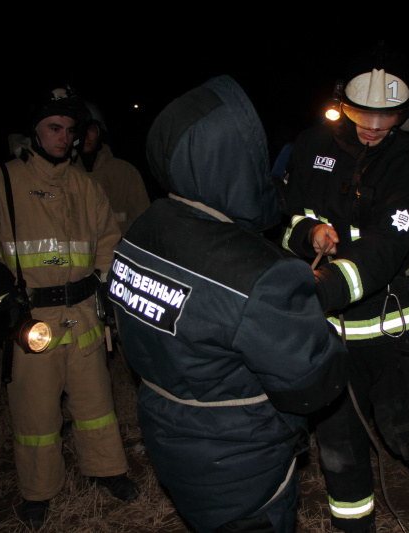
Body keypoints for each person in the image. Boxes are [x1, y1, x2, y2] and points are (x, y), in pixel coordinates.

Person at [109, 74, 348, 533]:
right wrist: (321, 328)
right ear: (230, 161)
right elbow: (313, 384)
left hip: (167, 434)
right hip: (239, 459)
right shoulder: (259, 271)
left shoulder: (142, 231)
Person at [279, 43, 409, 533]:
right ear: (341, 101)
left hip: (396, 332)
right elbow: (289, 219)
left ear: (404, 113)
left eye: (385, 115)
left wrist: (320, 289)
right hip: (332, 336)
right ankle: (353, 525)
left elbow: (388, 247)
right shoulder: (312, 146)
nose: (371, 123)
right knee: (339, 443)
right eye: (361, 111)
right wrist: (308, 234)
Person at [0, 84, 139, 529]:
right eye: (54, 127)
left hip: (84, 317)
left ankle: (107, 470)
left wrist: (102, 281)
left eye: (70, 128)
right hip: (31, 321)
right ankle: (39, 492)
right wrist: (2, 294)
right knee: (35, 414)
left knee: (96, 405)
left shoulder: (85, 186)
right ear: (34, 131)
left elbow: (110, 244)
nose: (63, 136)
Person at [77, 101, 151, 235]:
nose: (85, 135)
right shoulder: (63, 173)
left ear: (100, 131)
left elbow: (144, 223)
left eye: (91, 129)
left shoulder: (125, 172)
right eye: (79, 129)